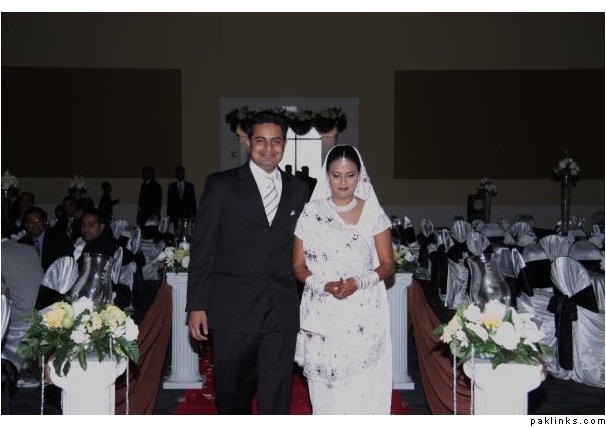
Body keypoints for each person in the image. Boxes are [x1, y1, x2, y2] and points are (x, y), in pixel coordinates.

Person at [186, 111, 309, 415]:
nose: (269, 148)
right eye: (261, 140)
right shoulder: (221, 185)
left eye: (276, 141)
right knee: (231, 391)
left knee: (277, 392)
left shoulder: (299, 189)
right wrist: (197, 305)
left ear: (284, 145)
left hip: (281, 308)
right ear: (248, 143)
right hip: (233, 309)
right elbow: (203, 250)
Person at [292, 145, 395, 414]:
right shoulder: (311, 212)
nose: (343, 182)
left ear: (360, 176)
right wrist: (323, 285)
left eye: (350, 175)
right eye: (336, 175)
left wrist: (357, 282)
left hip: (362, 311)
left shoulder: (373, 213)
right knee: (324, 389)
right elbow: (298, 266)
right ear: (327, 176)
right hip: (321, 309)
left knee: (358, 386)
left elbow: (388, 265)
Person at [17, 206, 72, 271]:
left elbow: (66, 264)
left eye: (37, 221)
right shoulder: (22, 243)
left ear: (45, 221)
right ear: (25, 225)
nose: (34, 224)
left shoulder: (58, 238)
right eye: (30, 222)